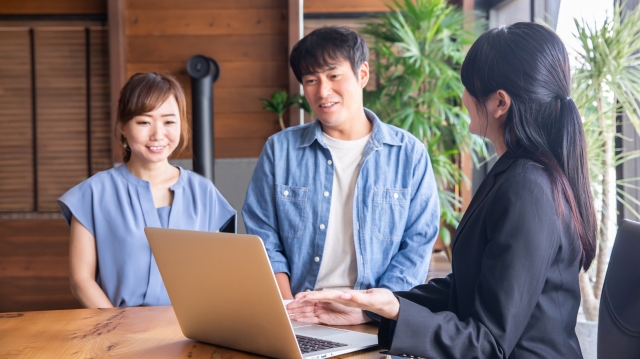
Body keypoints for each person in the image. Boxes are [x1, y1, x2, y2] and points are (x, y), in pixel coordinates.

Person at [291, 22, 598, 359]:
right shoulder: (517, 173)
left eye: (468, 87)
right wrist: (374, 310)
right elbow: (470, 285)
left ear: (500, 103)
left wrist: (394, 310)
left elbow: (487, 344)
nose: (462, 97)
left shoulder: (528, 188)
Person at [243, 27, 440, 323]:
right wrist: (288, 309)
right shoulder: (280, 149)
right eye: (311, 80)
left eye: (334, 75)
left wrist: (368, 312)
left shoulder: (408, 153)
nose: (322, 91)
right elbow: (262, 235)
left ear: (362, 74)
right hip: (297, 316)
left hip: (374, 321)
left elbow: (417, 243)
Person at [59, 72, 235, 308]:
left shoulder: (204, 192)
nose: (158, 134)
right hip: (118, 333)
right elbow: (81, 280)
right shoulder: (93, 193)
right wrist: (117, 329)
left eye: (169, 122)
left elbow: (217, 275)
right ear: (123, 126)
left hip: (193, 332)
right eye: (144, 122)